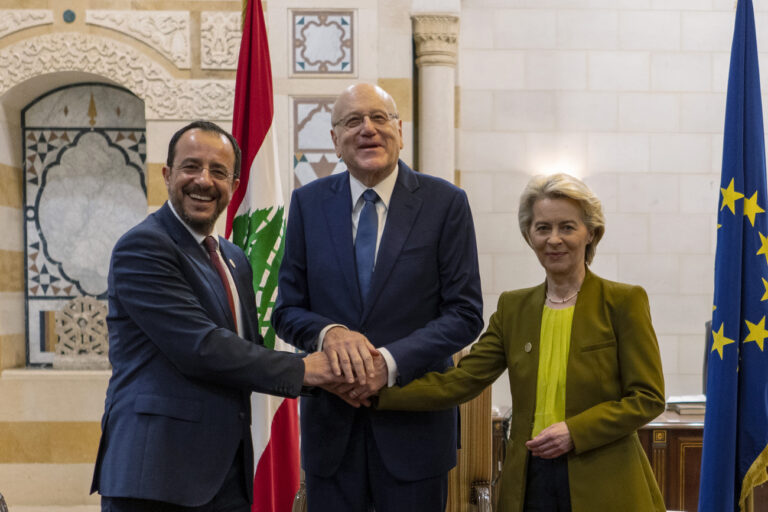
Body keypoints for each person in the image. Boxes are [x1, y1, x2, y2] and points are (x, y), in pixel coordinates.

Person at [376, 173, 666, 511]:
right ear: (529, 236)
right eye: (542, 228)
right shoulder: (514, 307)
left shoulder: (623, 301)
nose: (554, 239)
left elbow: (648, 397)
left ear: (591, 233)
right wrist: (376, 394)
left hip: (606, 482)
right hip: (530, 483)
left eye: (567, 227)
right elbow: (459, 381)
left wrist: (576, 431)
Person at [91, 121, 340, 512]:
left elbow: (245, 352)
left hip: (225, 474)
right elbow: (202, 347)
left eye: (219, 171)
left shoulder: (233, 258)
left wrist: (333, 371)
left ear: (235, 183)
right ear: (167, 174)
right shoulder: (143, 246)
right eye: (191, 167)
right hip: (156, 475)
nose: (203, 181)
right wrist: (308, 369)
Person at [271, 83, 484, 511]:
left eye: (379, 118)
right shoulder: (307, 204)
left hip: (415, 429)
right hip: (332, 432)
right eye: (352, 121)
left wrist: (385, 364)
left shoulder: (446, 203)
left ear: (399, 132)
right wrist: (329, 333)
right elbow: (287, 311)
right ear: (334, 140)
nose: (367, 129)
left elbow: (465, 313)